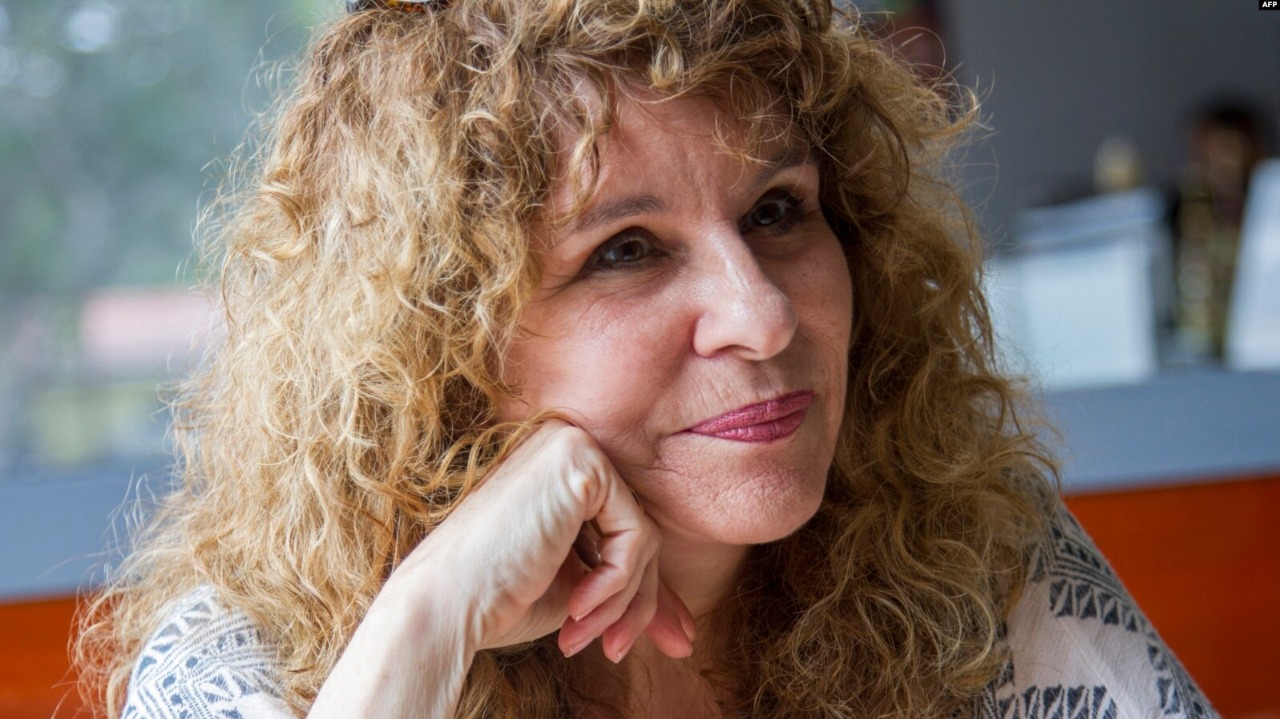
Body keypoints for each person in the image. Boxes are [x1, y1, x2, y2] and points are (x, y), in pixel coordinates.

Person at [76, 1, 1215, 717]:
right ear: (436, 343)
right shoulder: (241, 664)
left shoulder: (967, 554)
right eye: (624, 249)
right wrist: (425, 623)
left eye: (777, 209)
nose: (761, 314)